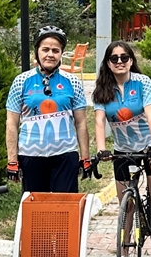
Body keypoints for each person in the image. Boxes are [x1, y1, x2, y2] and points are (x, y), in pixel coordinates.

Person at [92, 41, 151, 257]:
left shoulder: (142, 82)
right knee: (126, 206)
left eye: (124, 57)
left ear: (131, 60)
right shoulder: (102, 89)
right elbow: (99, 122)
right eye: (114, 58)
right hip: (123, 150)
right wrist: (101, 150)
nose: (119, 61)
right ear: (108, 63)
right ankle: (124, 255)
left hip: (150, 144)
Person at [5, 25, 92, 193]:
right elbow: (11, 123)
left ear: (61, 54)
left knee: (64, 206)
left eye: (55, 50)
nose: (50, 54)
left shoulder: (72, 81)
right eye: (45, 49)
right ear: (37, 52)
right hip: (31, 155)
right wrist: (12, 160)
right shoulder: (21, 81)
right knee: (36, 207)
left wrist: (85, 158)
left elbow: (81, 123)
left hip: (65, 155)